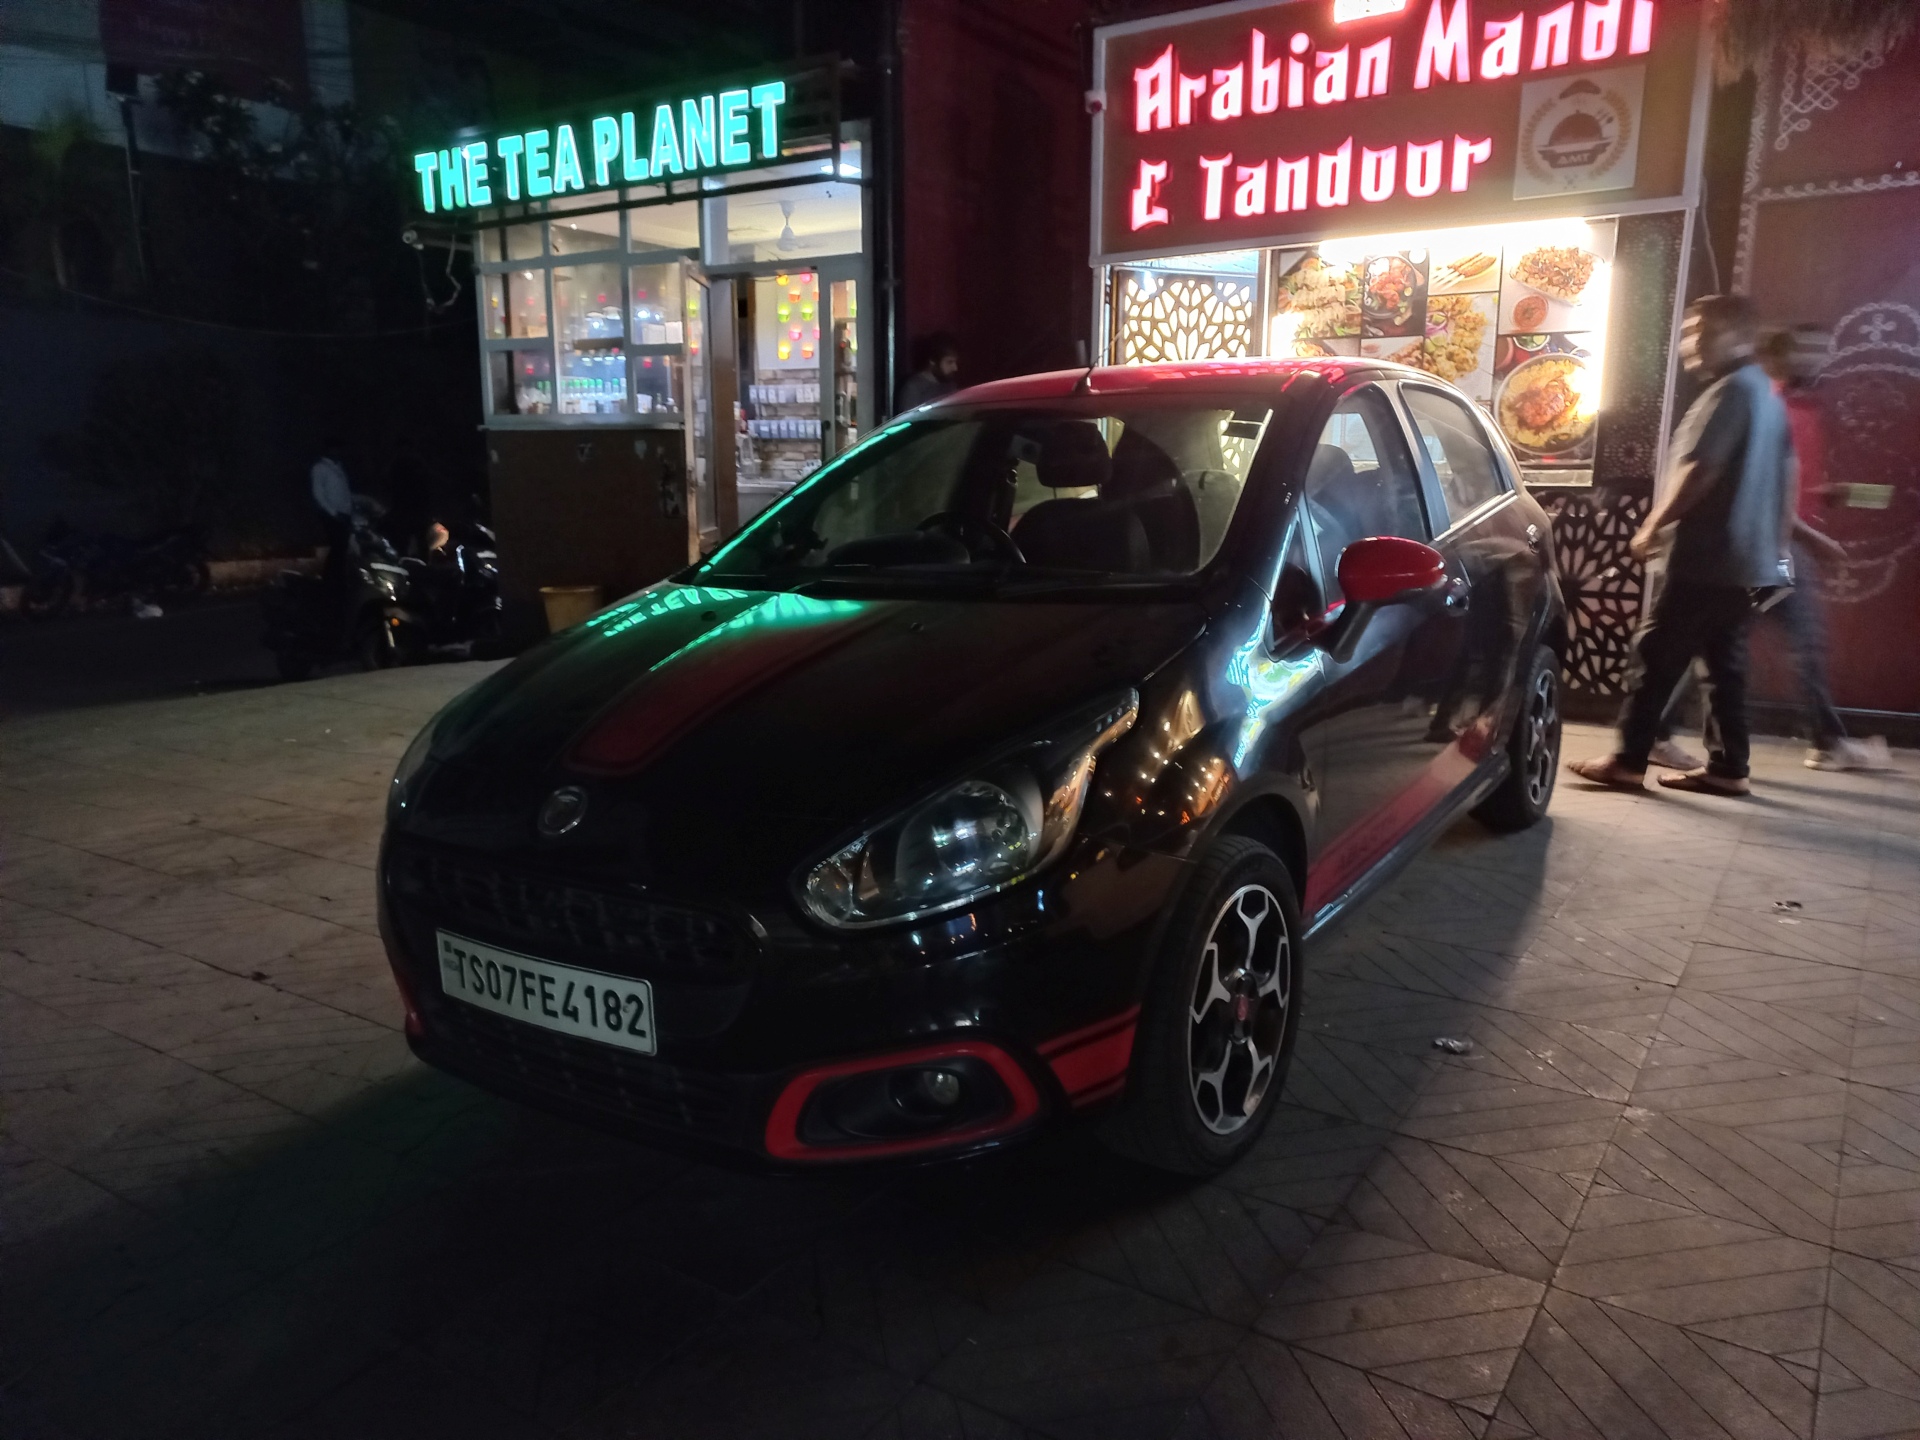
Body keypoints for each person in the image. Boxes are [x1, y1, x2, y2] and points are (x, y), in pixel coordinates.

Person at [1569, 294, 1795, 797]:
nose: (1688, 344)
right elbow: (1788, 481)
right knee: (1723, 664)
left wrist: (1652, 525)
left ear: (1738, 336)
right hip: (1746, 561)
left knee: (1655, 653)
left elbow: (1702, 468)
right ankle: (1729, 768)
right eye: (1688, 333)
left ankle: (1628, 761)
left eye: (1701, 332)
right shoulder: (1766, 395)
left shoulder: (1730, 392)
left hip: (1708, 556)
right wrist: (1778, 549)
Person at [1643, 328, 1890, 772]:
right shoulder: (1769, 405)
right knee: (1796, 642)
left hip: (1770, 548)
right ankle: (1825, 742)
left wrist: (1836, 495)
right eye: (1809, 349)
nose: (1820, 358)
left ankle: (1657, 734)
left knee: (1716, 644)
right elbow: (1761, 489)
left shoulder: (1796, 405)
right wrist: (1815, 540)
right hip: (1772, 551)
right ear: (1778, 355)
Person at [311, 437, 357, 599]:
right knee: (338, 546)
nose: (338, 452)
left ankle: (336, 580)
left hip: (344, 514)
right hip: (331, 515)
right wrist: (333, 513)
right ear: (328, 450)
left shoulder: (339, 467)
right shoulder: (320, 468)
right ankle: (330, 579)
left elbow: (344, 492)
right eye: (335, 449)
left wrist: (350, 510)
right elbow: (318, 494)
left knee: (341, 548)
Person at [898, 331, 960, 410]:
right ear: (932, 361)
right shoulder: (913, 388)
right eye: (949, 362)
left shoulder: (950, 385)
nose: (955, 368)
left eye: (955, 362)